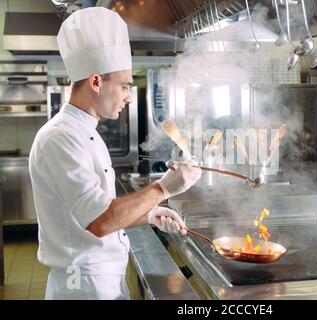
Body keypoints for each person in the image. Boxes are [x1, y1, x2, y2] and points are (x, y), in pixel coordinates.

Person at [29, 7, 201, 300]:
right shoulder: (61, 138)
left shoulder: (85, 131)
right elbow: (100, 220)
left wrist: (148, 216)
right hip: (81, 286)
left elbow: (95, 210)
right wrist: (163, 188)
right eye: (124, 86)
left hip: (102, 281)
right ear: (96, 82)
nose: (128, 96)